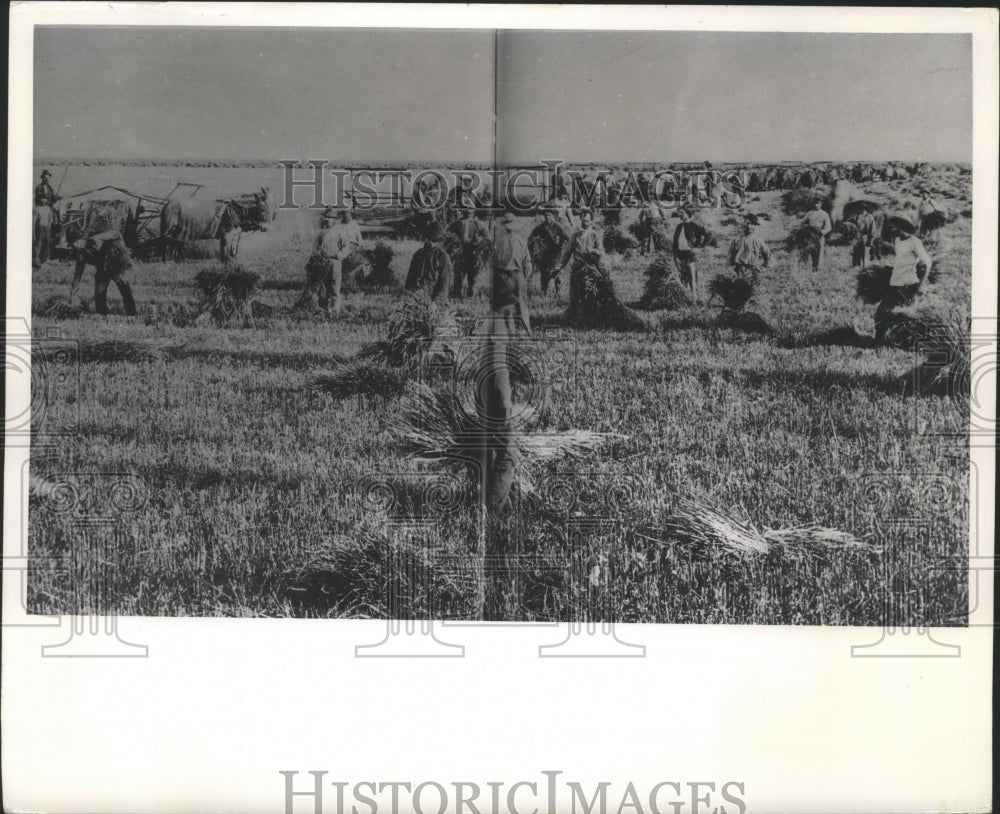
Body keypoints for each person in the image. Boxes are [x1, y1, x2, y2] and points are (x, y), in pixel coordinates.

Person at [476, 231, 531, 516]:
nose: (514, 320)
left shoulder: (489, 324)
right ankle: (493, 512)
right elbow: (499, 378)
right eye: (513, 313)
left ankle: (500, 502)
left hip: (483, 405)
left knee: (493, 455)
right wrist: (510, 410)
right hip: (496, 407)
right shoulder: (499, 332)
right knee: (508, 456)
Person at [874, 219, 933, 344]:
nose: (891, 230)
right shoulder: (897, 240)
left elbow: (927, 263)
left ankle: (907, 344)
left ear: (900, 228)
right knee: (881, 314)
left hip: (908, 286)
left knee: (906, 317)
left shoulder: (914, 242)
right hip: (894, 284)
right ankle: (879, 342)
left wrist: (918, 287)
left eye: (894, 227)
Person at [302, 206, 356, 316]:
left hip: (335, 262)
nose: (327, 220)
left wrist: (338, 255)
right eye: (326, 217)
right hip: (322, 263)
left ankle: (335, 311)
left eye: (330, 218)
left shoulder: (340, 232)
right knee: (323, 287)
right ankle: (324, 309)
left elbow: (346, 248)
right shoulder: (321, 233)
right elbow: (315, 248)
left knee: (335, 286)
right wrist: (314, 259)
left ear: (335, 220)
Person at [555, 208, 604, 310]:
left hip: (591, 268)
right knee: (577, 294)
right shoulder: (575, 235)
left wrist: (593, 251)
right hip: (578, 268)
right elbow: (567, 253)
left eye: (587, 220)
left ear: (591, 221)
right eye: (583, 220)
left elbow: (601, 252)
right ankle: (577, 316)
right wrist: (559, 266)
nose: (585, 223)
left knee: (590, 293)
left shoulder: (594, 234)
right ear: (580, 220)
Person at [405, 220, 453, 304]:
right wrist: (409, 295)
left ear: (439, 241)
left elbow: (445, 283)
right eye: (429, 239)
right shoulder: (418, 255)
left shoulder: (443, 257)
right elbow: (410, 279)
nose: (431, 243)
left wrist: (436, 303)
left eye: (435, 241)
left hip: (436, 298)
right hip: (418, 296)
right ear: (426, 238)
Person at [448, 206, 490, 299]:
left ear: (474, 210)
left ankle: (471, 298)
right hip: (460, 255)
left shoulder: (479, 225)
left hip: (473, 255)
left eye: (470, 208)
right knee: (458, 278)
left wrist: (480, 246)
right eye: (465, 208)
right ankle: (457, 298)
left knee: (473, 279)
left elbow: (487, 240)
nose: (468, 210)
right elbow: (448, 236)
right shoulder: (456, 224)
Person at [527, 203, 568, 296]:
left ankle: (558, 294)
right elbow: (531, 239)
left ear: (553, 215)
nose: (547, 217)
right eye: (545, 215)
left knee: (558, 276)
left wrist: (562, 247)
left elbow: (567, 239)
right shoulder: (540, 228)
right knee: (544, 276)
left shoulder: (559, 227)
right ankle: (544, 292)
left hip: (557, 255)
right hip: (545, 257)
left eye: (549, 215)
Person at [672, 204, 708, 303]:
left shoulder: (695, 225)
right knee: (681, 278)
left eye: (682, 213)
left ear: (688, 213)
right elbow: (675, 242)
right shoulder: (679, 226)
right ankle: (683, 299)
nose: (680, 215)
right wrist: (674, 254)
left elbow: (709, 235)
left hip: (690, 255)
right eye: (679, 213)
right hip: (680, 255)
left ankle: (694, 300)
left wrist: (700, 248)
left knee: (692, 278)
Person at [727, 214, 770, 284]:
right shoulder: (736, 240)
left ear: (755, 225)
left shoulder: (758, 241)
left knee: (752, 292)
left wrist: (761, 269)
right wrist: (731, 272)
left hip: (753, 272)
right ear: (744, 224)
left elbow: (769, 257)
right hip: (738, 272)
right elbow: (729, 258)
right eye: (747, 223)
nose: (749, 226)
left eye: (751, 224)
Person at [33, 169, 60, 269]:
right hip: (41, 217)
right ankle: (36, 258)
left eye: (48, 178)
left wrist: (56, 198)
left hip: (49, 212)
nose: (47, 179)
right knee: (40, 240)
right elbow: (40, 199)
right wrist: (48, 201)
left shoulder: (49, 188)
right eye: (45, 178)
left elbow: (52, 199)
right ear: (42, 178)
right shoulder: (38, 188)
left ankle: (46, 258)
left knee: (47, 240)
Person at [800, 196, 832, 272]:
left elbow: (829, 227)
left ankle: (817, 270)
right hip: (810, 235)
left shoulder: (824, 214)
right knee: (809, 251)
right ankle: (809, 268)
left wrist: (821, 232)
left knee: (819, 252)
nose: (816, 205)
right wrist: (805, 227)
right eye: (815, 203)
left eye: (818, 204)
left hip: (819, 235)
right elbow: (802, 222)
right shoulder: (809, 213)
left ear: (821, 204)